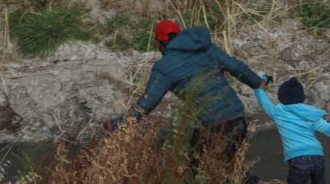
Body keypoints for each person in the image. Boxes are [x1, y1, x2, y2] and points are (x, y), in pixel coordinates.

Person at [105, 20, 265, 182]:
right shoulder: (206, 48)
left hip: (215, 127)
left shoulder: (164, 67)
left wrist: (118, 124)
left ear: (160, 43)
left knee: (213, 170)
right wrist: (258, 82)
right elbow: (237, 67)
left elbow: (146, 104)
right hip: (237, 117)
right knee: (206, 160)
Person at [253, 77, 330, 184]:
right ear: (301, 97)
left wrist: (262, 80)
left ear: (281, 97)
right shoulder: (311, 115)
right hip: (317, 157)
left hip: (298, 160)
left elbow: (263, 101)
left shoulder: (277, 113)